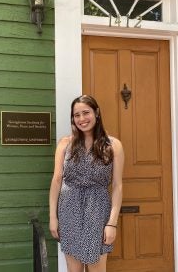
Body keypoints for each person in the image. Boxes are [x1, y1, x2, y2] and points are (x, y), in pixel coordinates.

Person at [49, 95, 124, 272]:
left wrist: (112, 223)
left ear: (96, 113)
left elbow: (117, 185)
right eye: (77, 115)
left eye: (86, 113)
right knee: (73, 269)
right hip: (69, 209)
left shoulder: (113, 145)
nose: (82, 119)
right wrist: (53, 218)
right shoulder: (65, 144)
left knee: (96, 267)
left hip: (98, 211)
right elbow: (57, 180)